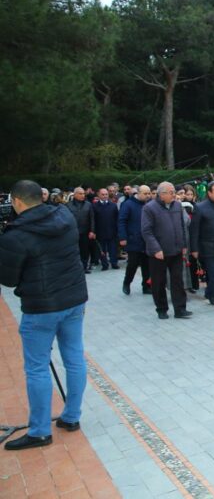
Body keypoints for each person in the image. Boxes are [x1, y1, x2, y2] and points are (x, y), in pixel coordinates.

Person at [0, 180, 87, 450]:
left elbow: (8, 279)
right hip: (73, 298)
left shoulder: (17, 234)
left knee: (36, 367)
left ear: (16, 201)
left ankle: (39, 431)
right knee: (74, 356)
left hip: (41, 307)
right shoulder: (65, 216)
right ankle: (72, 416)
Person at [141, 181, 192, 319]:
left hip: (176, 250)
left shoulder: (177, 205)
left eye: (174, 192)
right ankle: (161, 309)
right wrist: (156, 249)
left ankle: (180, 309)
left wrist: (183, 245)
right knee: (158, 282)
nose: (174, 195)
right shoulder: (149, 208)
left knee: (177, 280)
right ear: (162, 194)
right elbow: (146, 231)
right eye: (171, 192)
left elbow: (182, 226)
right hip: (158, 253)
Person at [190, 181, 214, 306]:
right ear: (209, 193)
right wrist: (194, 249)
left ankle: (209, 293)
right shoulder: (200, 207)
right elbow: (194, 230)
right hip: (208, 248)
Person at [119, 185, 151, 295]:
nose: (148, 196)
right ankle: (127, 283)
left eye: (149, 193)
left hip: (147, 240)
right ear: (138, 193)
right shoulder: (128, 204)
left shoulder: (149, 204)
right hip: (133, 239)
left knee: (147, 265)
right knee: (132, 264)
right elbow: (122, 221)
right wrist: (123, 237)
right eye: (145, 194)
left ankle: (146, 286)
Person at [66, 187, 94, 274]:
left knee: (85, 251)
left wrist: (92, 231)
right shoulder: (68, 205)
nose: (82, 195)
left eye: (83, 194)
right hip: (72, 233)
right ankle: (73, 268)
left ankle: (84, 267)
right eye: (80, 194)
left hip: (85, 232)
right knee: (73, 252)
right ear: (75, 194)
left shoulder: (88, 205)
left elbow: (92, 219)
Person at [92, 188, 119, 270]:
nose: (104, 196)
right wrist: (93, 231)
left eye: (106, 194)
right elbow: (93, 220)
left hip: (112, 231)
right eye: (103, 194)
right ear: (99, 195)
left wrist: (117, 230)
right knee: (102, 249)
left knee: (113, 249)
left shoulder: (113, 205)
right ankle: (104, 264)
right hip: (100, 232)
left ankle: (114, 263)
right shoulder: (94, 206)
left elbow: (117, 219)